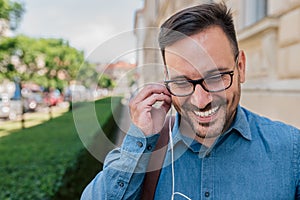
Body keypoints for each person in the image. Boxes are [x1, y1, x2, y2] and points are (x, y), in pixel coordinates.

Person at [81, 2, 300, 199]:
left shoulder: (292, 150)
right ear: (166, 80)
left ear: (240, 68)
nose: (201, 100)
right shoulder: (145, 150)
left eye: (215, 77)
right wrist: (140, 139)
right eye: (182, 82)